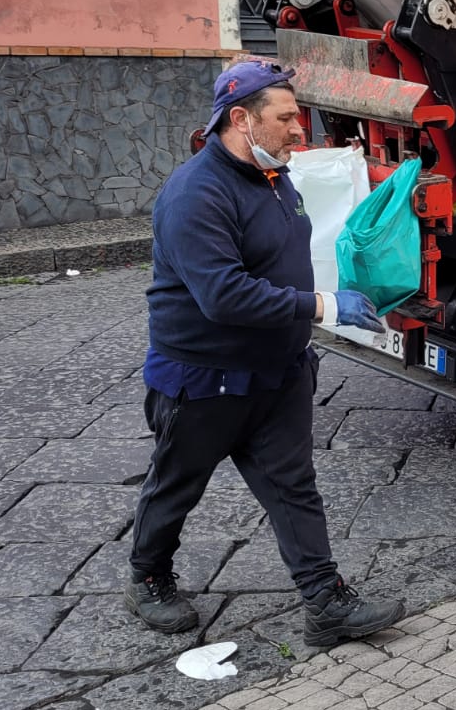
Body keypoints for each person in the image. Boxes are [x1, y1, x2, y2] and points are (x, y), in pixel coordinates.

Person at [126, 58, 405, 647]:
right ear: (240, 119)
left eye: (298, 117)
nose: (300, 129)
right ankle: (148, 577)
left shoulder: (276, 179)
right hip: (203, 381)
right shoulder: (194, 194)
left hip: (278, 373)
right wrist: (323, 308)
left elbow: (283, 260)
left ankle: (324, 603)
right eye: (285, 118)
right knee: (177, 484)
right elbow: (222, 295)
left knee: (293, 485)